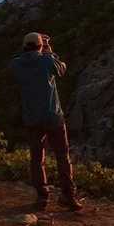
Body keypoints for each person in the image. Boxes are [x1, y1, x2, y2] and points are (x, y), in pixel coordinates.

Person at [10, 32, 83, 212]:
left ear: (24, 46)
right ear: (40, 46)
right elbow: (62, 69)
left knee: (37, 158)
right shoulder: (47, 60)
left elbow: (21, 64)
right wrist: (49, 51)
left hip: (32, 118)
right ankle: (68, 195)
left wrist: (40, 50)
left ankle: (42, 197)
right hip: (53, 116)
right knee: (62, 156)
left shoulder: (16, 64)